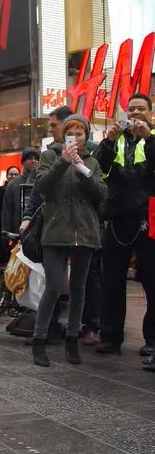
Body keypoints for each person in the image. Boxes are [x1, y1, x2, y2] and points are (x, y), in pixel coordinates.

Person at [30, 115, 106, 368]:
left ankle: (72, 340)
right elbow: (41, 186)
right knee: (52, 286)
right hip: (55, 231)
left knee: (78, 288)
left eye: (80, 132)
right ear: (63, 136)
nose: (76, 137)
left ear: (86, 136)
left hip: (84, 232)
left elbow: (100, 194)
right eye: (70, 132)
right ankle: (39, 340)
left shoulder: (92, 161)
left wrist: (82, 169)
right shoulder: (49, 157)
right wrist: (63, 163)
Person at [94, 94, 155, 357]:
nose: (136, 113)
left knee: (152, 281)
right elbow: (98, 168)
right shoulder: (114, 139)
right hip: (118, 219)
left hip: (147, 218)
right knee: (111, 281)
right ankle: (110, 337)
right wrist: (107, 141)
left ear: (150, 112)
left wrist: (149, 137)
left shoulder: (153, 137)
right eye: (131, 109)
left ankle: (152, 340)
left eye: (141, 109)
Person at [1, 148, 39, 237]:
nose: (33, 161)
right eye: (30, 158)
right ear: (23, 162)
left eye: (36, 159)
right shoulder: (13, 184)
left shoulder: (42, 181)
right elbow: (7, 211)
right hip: (17, 231)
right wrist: (6, 233)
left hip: (38, 231)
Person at [0, 165, 19, 267]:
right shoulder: (0, 191)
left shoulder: (21, 190)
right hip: (1, 233)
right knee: (2, 263)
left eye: (16, 174)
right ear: (7, 176)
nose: (13, 176)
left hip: (16, 231)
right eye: (11, 174)